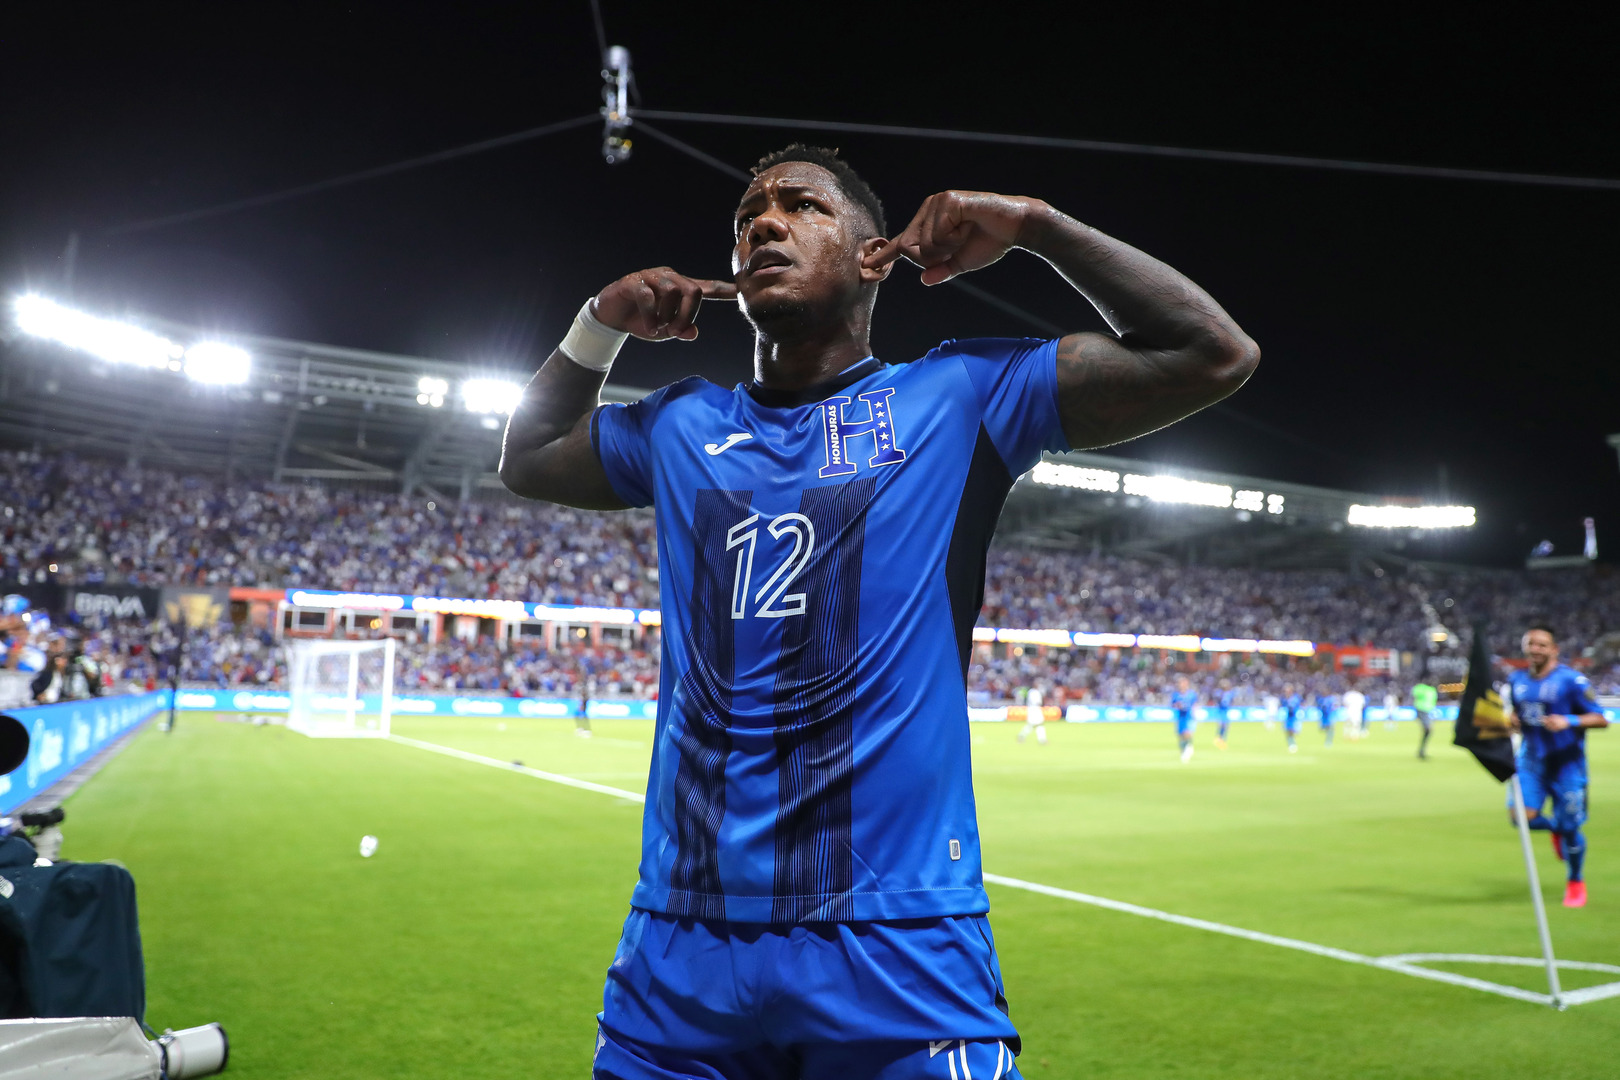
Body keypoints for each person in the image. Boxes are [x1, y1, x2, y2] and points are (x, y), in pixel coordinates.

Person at [499, 143, 1258, 1078]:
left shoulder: (960, 395)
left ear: (874, 255)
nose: (763, 225)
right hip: (680, 944)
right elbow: (527, 455)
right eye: (746, 218)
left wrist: (1035, 227)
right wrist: (596, 326)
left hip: (896, 943)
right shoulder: (678, 423)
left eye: (801, 207)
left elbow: (1213, 352)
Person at [1506, 624, 1608, 908]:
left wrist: (1569, 720)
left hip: (1568, 765)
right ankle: (1555, 829)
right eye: (1531, 644)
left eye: (1542, 644)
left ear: (1554, 649)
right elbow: (1518, 715)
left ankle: (1575, 880)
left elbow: (1601, 718)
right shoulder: (1516, 680)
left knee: (1572, 827)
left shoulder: (1572, 681)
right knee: (1519, 817)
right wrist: (1512, 720)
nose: (1535, 649)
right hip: (1531, 760)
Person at [1171, 676, 1198, 762]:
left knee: (1187, 733)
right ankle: (1183, 751)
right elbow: (1173, 704)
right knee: (1181, 736)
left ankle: (1189, 747)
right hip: (1180, 717)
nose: (1181, 685)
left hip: (1189, 717)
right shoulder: (1176, 695)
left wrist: (1195, 714)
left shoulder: (1191, 694)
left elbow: (1195, 704)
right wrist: (1178, 706)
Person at [1412, 681, 1438, 759]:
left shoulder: (1431, 690)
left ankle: (1421, 751)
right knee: (1428, 730)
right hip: (1422, 710)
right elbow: (1416, 694)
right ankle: (1421, 751)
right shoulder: (1422, 688)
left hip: (1426, 711)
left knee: (1428, 731)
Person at [1215, 680, 1236, 749]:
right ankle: (1219, 738)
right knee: (1222, 725)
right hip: (1221, 711)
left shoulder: (1230, 693)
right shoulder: (1219, 693)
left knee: (1226, 726)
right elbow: (1218, 701)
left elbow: (1231, 701)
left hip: (1226, 711)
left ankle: (1222, 740)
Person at [1282, 684, 1303, 753]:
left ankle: (1293, 745)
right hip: (1288, 718)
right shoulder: (1286, 699)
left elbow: (1293, 708)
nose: (1286, 692)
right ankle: (1291, 745)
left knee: (1291, 732)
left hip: (1293, 719)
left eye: (1287, 691)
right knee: (1288, 732)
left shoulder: (1294, 699)